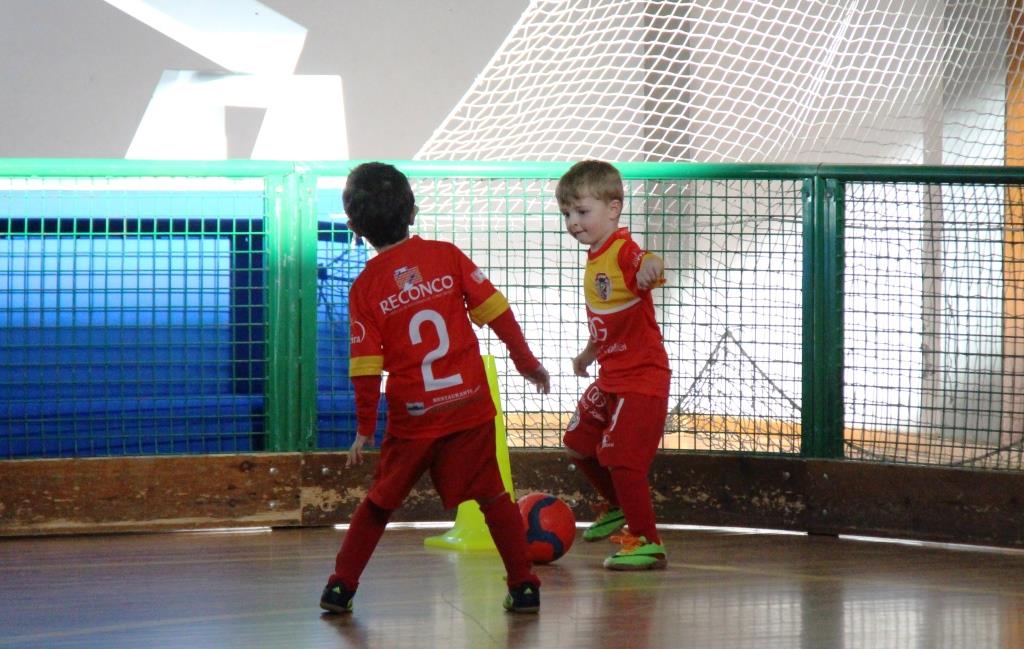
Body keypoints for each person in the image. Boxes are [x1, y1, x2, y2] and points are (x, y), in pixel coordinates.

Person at [320, 162, 551, 615]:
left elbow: (366, 368)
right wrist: (526, 361)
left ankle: (340, 588)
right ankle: (524, 585)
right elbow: (497, 312)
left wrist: (365, 428)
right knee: (493, 498)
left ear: (353, 227)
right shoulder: (446, 255)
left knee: (379, 503)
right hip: (468, 404)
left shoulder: (365, 287)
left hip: (415, 416)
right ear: (413, 212)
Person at [556, 159, 671, 570]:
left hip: (641, 378)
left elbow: (646, 261)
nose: (572, 222)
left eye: (581, 212)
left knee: (621, 457)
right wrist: (589, 354)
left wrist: (651, 269)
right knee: (577, 443)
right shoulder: (594, 257)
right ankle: (618, 506)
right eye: (566, 214)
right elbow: (607, 317)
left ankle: (646, 540)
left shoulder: (623, 249)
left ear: (614, 208)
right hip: (610, 375)